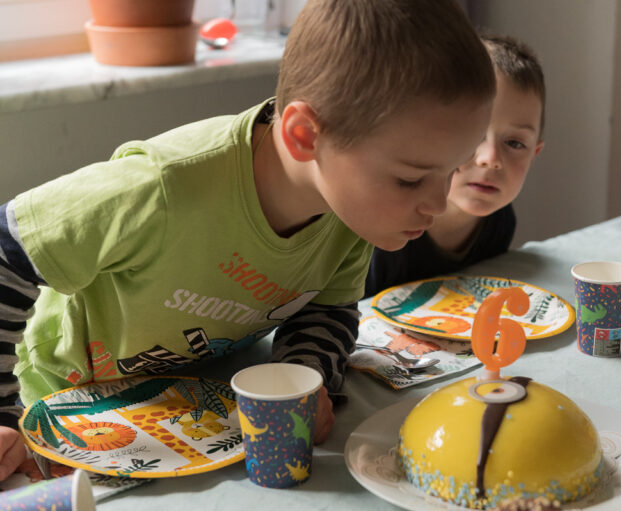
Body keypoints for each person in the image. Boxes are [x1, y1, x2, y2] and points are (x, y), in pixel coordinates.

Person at [0, 0, 495, 480]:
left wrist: (306, 376)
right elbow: (8, 249)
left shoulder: (349, 208)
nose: (438, 201)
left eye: (452, 168)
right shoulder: (166, 185)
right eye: (410, 180)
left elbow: (327, 308)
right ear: (306, 135)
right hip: (54, 401)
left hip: (187, 410)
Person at [364, 34, 546, 298]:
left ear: (535, 153)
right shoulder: (387, 230)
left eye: (515, 143)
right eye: (474, 135)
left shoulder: (500, 221)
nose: (490, 158)